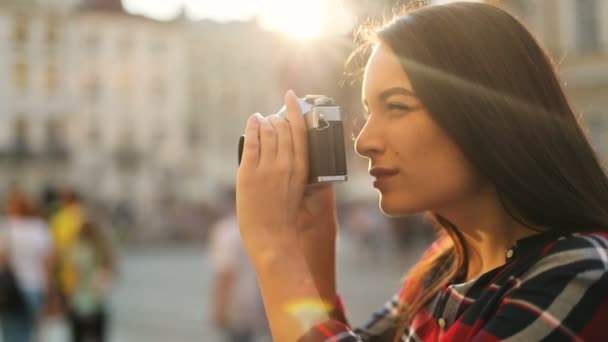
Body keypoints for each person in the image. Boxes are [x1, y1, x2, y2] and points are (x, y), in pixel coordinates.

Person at [235, 2, 608, 341]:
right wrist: (314, 228)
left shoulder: (582, 272)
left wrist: (274, 248)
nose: (364, 141)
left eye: (396, 107)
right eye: (368, 113)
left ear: (488, 113)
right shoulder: (448, 263)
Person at [209, 188, 269, 342]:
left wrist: (219, 310)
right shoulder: (265, 227)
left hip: (239, 311)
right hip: (267, 308)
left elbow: (225, 273)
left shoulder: (227, 231)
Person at [0, 190, 54, 342]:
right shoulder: (41, 228)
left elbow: (1, 260)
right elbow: (48, 264)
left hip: (11, 289)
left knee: (11, 332)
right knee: (32, 332)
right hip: (36, 287)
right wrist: (50, 291)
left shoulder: (8, 227)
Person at [63, 219, 116, 342]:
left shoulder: (75, 250)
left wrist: (67, 297)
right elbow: (110, 276)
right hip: (99, 305)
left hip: (79, 304)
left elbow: (72, 279)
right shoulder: (103, 251)